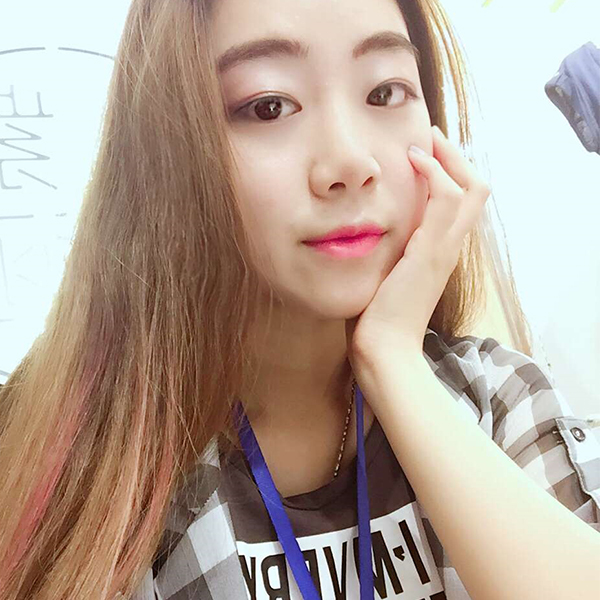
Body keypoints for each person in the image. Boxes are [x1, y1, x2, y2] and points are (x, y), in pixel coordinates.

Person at [0, 0, 598, 599]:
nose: (350, 162)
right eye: (269, 106)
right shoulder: (73, 453)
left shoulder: (497, 401)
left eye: (385, 92)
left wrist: (392, 361)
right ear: (166, 153)